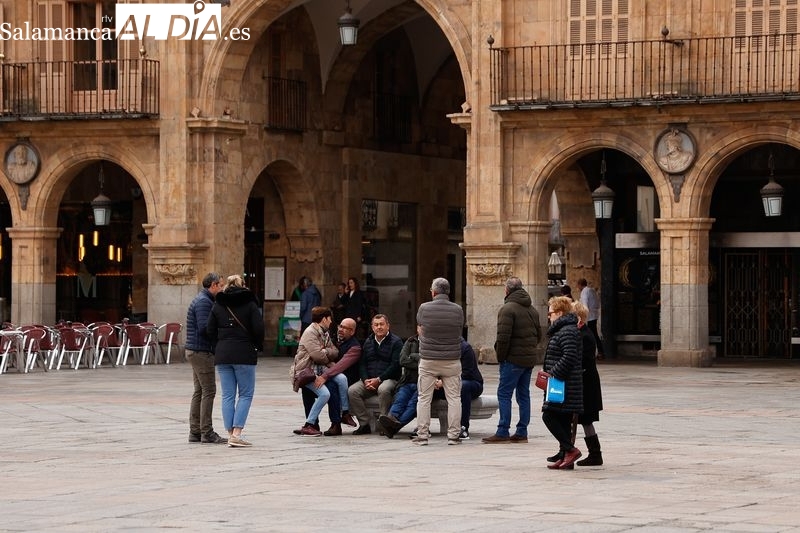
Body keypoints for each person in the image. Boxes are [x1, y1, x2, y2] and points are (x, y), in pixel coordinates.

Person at [206, 274, 264, 447]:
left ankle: (230, 433)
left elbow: (209, 330)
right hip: (244, 353)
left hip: (223, 354)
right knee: (245, 394)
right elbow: (259, 329)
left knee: (228, 395)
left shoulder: (218, 304)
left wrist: (220, 343)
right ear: (243, 285)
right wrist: (255, 344)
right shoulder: (250, 304)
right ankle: (237, 433)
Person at [483, 277, 542, 444]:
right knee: (523, 395)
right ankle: (522, 431)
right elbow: (539, 335)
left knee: (504, 394)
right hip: (528, 360)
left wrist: (501, 357)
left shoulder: (507, 309)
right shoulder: (532, 310)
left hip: (512, 360)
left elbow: (503, 338)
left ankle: (502, 431)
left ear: (507, 290)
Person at [413, 277, 464, 446]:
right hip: (451, 359)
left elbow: (420, 328)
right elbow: (458, 330)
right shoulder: (458, 310)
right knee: (454, 398)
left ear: (434, 292)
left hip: (428, 359)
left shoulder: (424, 308)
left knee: (424, 398)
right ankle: (454, 436)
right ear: (448, 292)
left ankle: (422, 435)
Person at [294, 317, 361, 436]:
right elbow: (322, 354)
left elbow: (340, 366)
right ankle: (312, 424)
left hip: (344, 379)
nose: (341, 329)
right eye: (341, 326)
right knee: (307, 388)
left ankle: (336, 424)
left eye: (346, 328)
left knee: (331, 387)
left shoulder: (355, 347)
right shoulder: (333, 339)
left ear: (352, 332)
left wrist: (324, 375)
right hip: (328, 374)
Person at [541, 295, 583, 469]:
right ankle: (566, 456)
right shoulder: (564, 329)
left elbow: (569, 356)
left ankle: (570, 450)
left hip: (563, 383)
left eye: (550, 313)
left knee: (548, 415)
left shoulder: (567, 331)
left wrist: (553, 373)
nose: (549, 316)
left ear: (559, 313)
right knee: (562, 418)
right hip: (562, 382)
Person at [185, 272, 227, 444]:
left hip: (195, 350)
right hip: (201, 351)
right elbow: (204, 328)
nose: (222, 288)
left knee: (199, 391)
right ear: (214, 285)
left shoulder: (203, 299)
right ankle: (206, 432)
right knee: (209, 390)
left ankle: (195, 431)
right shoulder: (204, 302)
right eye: (221, 285)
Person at [347, 314, 403, 434]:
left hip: (389, 379)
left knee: (383, 389)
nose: (379, 327)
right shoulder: (368, 342)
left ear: (388, 326)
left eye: (382, 324)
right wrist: (365, 380)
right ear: (372, 327)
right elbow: (362, 364)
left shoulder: (396, 342)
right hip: (370, 380)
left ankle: (384, 424)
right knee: (352, 391)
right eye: (376, 325)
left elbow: (395, 365)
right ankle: (364, 424)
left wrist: (379, 379)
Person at [572, 301, 604, 466]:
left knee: (585, 419)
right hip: (586, 383)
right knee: (584, 420)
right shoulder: (583, 333)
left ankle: (594, 454)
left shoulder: (584, 335)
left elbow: (582, 360)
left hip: (586, 385)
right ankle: (592, 453)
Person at [378, 325, 421, 438]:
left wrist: (413, 356)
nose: (423, 329)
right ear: (417, 328)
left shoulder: (433, 344)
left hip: (422, 383)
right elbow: (402, 360)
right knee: (400, 399)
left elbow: (429, 363)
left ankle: (394, 426)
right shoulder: (410, 341)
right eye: (421, 326)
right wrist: (420, 360)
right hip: (407, 381)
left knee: (412, 404)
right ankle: (391, 420)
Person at [577, 277, 605, 360]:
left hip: (589, 317)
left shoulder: (584, 292)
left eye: (578, 286)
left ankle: (592, 352)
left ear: (579, 285)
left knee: (589, 335)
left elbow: (585, 305)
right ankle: (600, 351)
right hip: (594, 315)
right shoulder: (591, 290)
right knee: (594, 334)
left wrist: (582, 317)